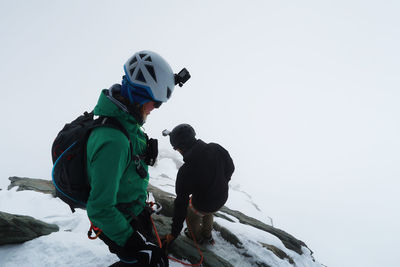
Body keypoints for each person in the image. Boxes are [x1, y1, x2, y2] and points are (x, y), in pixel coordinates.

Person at [85, 51, 189, 266]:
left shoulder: (126, 122)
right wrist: (135, 244)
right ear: (139, 96)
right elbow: (99, 209)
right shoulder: (113, 141)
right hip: (120, 221)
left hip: (133, 210)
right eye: (155, 103)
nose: (155, 109)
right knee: (144, 262)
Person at [160, 124, 235, 248]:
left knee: (192, 216)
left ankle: (196, 238)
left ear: (180, 148)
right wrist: (220, 182)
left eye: (176, 148)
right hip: (221, 197)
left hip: (203, 204)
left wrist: (174, 233)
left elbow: (180, 206)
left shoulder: (186, 171)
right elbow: (230, 167)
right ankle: (207, 235)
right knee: (208, 212)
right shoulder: (216, 148)